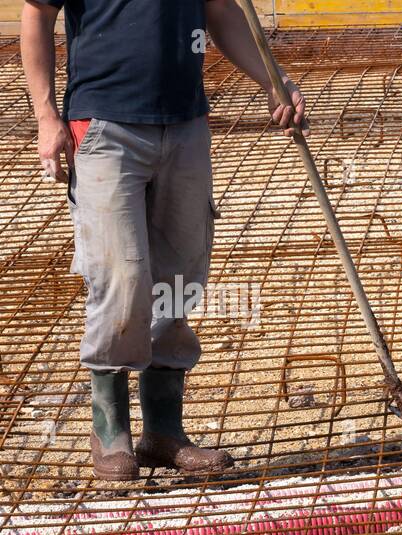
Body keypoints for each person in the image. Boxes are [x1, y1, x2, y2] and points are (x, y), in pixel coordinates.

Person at [20, 0, 307, 480]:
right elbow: (36, 15)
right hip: (104, 125)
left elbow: (222, 11)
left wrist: (272, 79)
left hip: (185, 123)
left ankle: (163, 432)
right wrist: (46, 116)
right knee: (121, 275)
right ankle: (110, 431)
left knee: (180, 277)